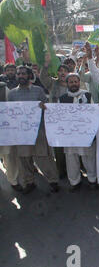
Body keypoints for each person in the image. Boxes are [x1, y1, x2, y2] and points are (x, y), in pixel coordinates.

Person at [8, 65, 59, 194]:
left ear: (29, 75)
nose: (20, 76)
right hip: (21, 133)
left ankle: (53, 181)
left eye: (23, 74)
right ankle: (29, 182)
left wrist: (44, 106)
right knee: (24, 160)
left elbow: (47, 108)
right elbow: (10, 113)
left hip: (38, 132)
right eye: (18, 74)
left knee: (43, 157)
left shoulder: (38, 91)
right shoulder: (12, 94)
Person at [54, 73, 98, 191]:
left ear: (79, 82)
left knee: (89, 158)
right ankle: (75, 181)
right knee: (71, 159)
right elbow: (58, 116)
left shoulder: (88, 96)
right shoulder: (62, 99)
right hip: (70, 136)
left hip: (86, 135)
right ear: (67, 84)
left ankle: (92, 179)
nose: (74, 84)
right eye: (71, 82)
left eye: (76, 81)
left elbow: (94, 113)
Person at [0, 81, 20, 191]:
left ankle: (14, 181)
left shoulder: (3, 89)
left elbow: (13, 110)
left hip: (4, 131)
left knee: (9, 157)